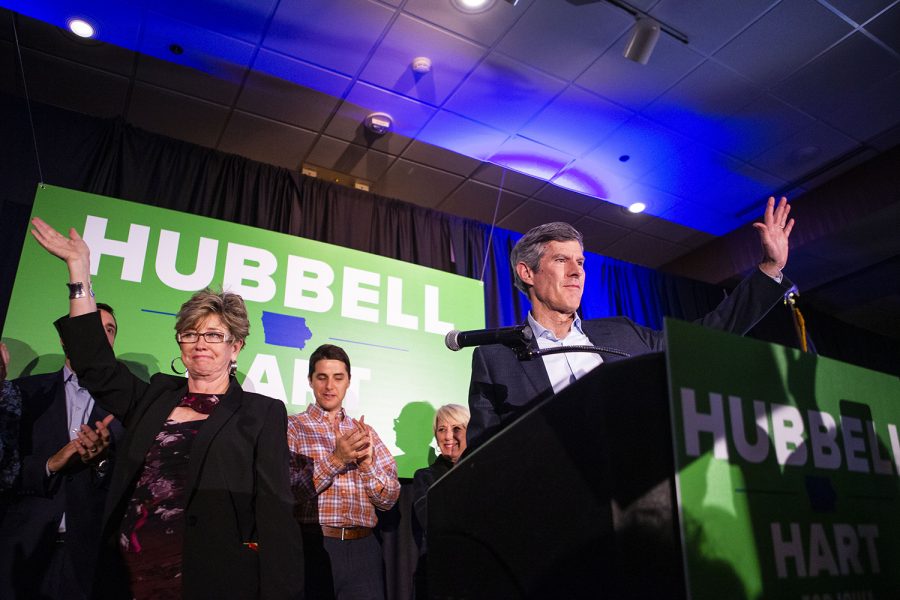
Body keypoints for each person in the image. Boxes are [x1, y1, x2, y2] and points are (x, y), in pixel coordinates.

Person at [29, 217, 304, 599]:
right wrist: (80, 274)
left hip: (208, 580)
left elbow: (275, 513)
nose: (200, 343)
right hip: (127, 576)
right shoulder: (155, 395)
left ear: (235, 346)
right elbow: (94, 362)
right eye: (189, 333)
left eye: (213, 335)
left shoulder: (260, 413)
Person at [467, 196, 797, 449]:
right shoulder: (496, 359)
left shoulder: (622, 333)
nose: (576, 271)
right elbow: (482, 462)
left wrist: (769, 269)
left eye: (580, 261)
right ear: (527, 273)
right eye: (561, 260)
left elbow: (705, 336)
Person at [0, 305, 122, 600]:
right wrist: (50, 464)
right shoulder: (22, 393)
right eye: (92, 327)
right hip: (21, 547)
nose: (101, 336)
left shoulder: (126, 404)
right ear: (65, 339)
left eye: (109, 330)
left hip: (86, 558)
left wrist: (101, 462)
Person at [288, 343, 400, 600]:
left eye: (338, 378)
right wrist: (337, 459)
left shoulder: (365, 433)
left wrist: (367, 468)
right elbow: (288, 491)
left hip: (364, 550)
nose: (330, 386)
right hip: (313, 544)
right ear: (310, 380)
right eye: (322, 377)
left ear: (348, 381)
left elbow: (389, 498)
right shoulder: (292, 427)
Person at [410, 403, 470, 599]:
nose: (447, 436)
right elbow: (431, 521)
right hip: (439, 575)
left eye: (456, 429)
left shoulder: (484, 471)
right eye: (442, 429)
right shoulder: (425, 477)